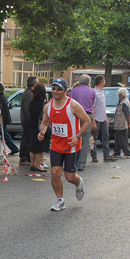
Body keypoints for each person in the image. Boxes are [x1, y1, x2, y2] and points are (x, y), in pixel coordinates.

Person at [38, 78, 91, 211]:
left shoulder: (73, 105)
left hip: (71, 145)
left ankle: (79, 183)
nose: (55, 91)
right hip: (56, 145)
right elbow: (44, 123)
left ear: (65, 91)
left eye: (58, 89)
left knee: (69, 176)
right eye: (53, 88)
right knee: (55, 172)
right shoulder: (48, 106)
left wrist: (77, 136)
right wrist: (42, 132)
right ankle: (60, 200)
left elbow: (87, 121)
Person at [68, 74, 97, 171]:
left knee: (74, 137)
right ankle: (81, 164)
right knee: (85, 139)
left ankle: (71, 161)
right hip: (87, 116)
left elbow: (70, 103)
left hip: (75, 116)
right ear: (89, 82)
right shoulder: (92, 91)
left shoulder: (74, 90)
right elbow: (92, 106)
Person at [90, 75, 116, 162]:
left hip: (103, 118)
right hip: (96, 118)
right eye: (104, 81)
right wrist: (93, 121)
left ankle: (106, 155)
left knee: (106, 136)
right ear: (101, 82)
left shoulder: (102, 92)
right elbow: (92, 107)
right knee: (94, 137)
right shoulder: (94, 92)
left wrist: (106, 118)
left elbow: (103, 107)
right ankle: (93, 155)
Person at [0, 82, 19, 156]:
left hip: (2, 119)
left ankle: (14, 148)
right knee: (3, 134)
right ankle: (14, 148)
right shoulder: (2, 97)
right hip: (3, 119)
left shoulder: (0, 98)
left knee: (2, 134)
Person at [29, 84, 49, 172]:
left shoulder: (32, 102)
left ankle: (32, 164)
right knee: (39, 146)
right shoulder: (43, 104)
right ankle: (38, 165)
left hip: (32, 124)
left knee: (33, 146)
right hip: (40, 125)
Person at [19, 76, 38, 165]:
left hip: (27, 120)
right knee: (26, 139)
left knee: (28, 139)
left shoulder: (28, 93)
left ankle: (27, 157)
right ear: (34, 84)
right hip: (28, 121)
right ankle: (23, 158)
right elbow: (28, 110)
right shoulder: (28, 94)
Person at [113, 88, 130, 159]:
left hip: (122, 123)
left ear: (121, 94)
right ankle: (116, 152)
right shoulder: (121, 101)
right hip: (119, 123)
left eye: (119, 94)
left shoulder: (124, 102)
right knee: (118, 139)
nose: (118, 95)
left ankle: (127, 153)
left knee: (122, 139)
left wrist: (129, 122)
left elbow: (127, 114)